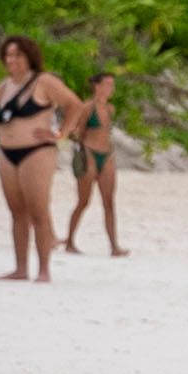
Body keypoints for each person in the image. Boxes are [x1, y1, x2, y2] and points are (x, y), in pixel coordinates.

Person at [0, 33, 71, 284]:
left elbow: (74, 104)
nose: (13, 60)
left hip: (36, 151)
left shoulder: (44, 82)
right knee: (17, 212)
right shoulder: (3, 86)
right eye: (9, 55)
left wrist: (61, 133)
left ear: (30, 56)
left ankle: (44, 269)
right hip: (7, 152)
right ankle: (20, 267)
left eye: (18, 55)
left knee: (38, 210)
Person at [66, 70, 126, 257]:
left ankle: (114, 246)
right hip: (89, 153)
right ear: (97, 86)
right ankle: (69, 241)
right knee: (83, 201)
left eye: (112, 85)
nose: (110, 88)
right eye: (107, 84)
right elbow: (77, 131)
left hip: (107, 154)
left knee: (109, 202)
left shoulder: (110, 109)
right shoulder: (87, 108)